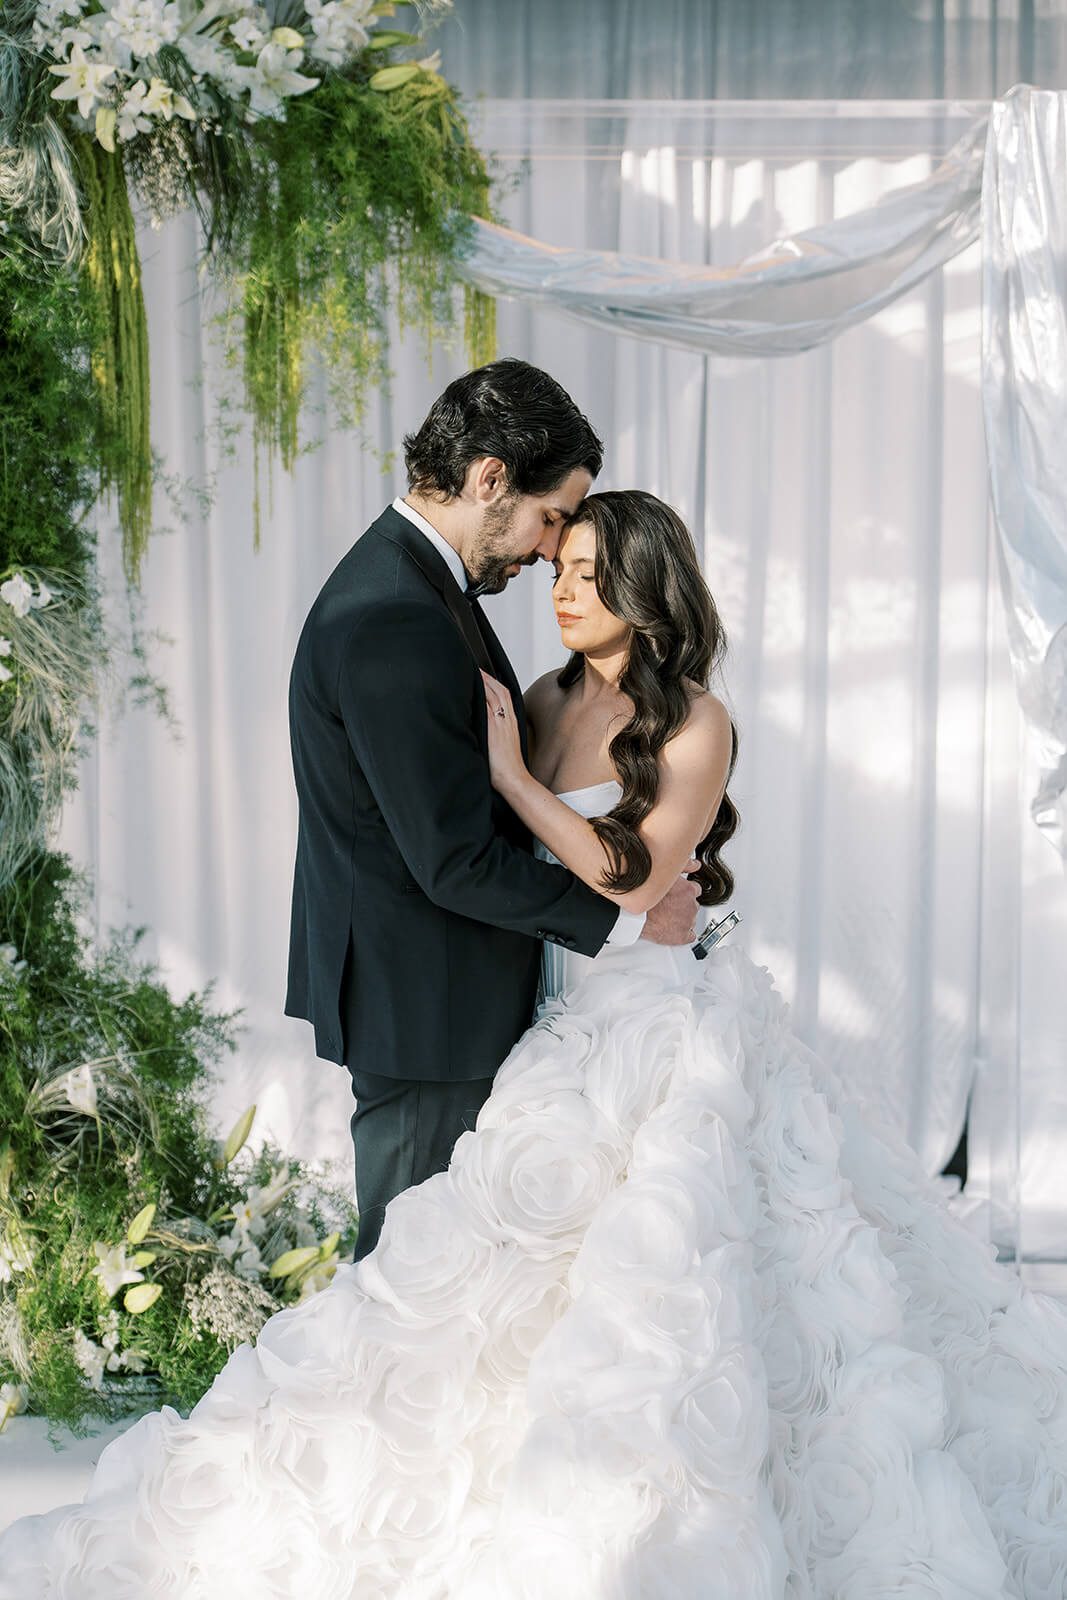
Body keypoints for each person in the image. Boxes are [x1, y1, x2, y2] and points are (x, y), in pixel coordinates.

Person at [3, 490, 1067, 1598]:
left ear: (648, 589)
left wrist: (516, 781)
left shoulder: (695, 720)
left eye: (588, 572)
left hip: (653, 1017)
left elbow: (638, 877)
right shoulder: (533, 690)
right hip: (549, 1009)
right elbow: (473, 847)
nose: (561, 588)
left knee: (669, 1257)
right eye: (559, 568)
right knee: (494, 1264)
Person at [283, 358, 700, 1262]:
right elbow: (453, 859)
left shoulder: (415, 588)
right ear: (488, 479)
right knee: (409, 1281)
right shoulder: (395, 614)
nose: (550, 551)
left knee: (457, 1277)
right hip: (425, 1002)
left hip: (445, 994)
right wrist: (627, 922)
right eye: (552, 518)